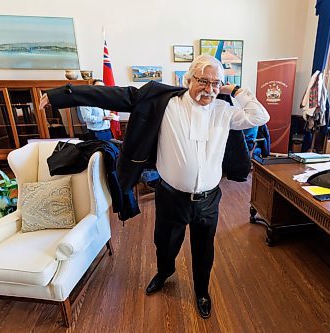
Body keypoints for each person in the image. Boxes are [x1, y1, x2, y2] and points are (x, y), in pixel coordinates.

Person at [40, 54, 269, 319]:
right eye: (203, 81)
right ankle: (164, 272)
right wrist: (62, 95)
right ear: (188, 79)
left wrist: (236, 90)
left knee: (204, 249)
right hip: (171, 196)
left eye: (216, 83)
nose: (209, 89)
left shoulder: (224, 111)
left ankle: (202, 290)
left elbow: (259, 115)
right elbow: (113, 95)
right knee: (165, 242)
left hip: (208, 200)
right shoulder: (165, 103)